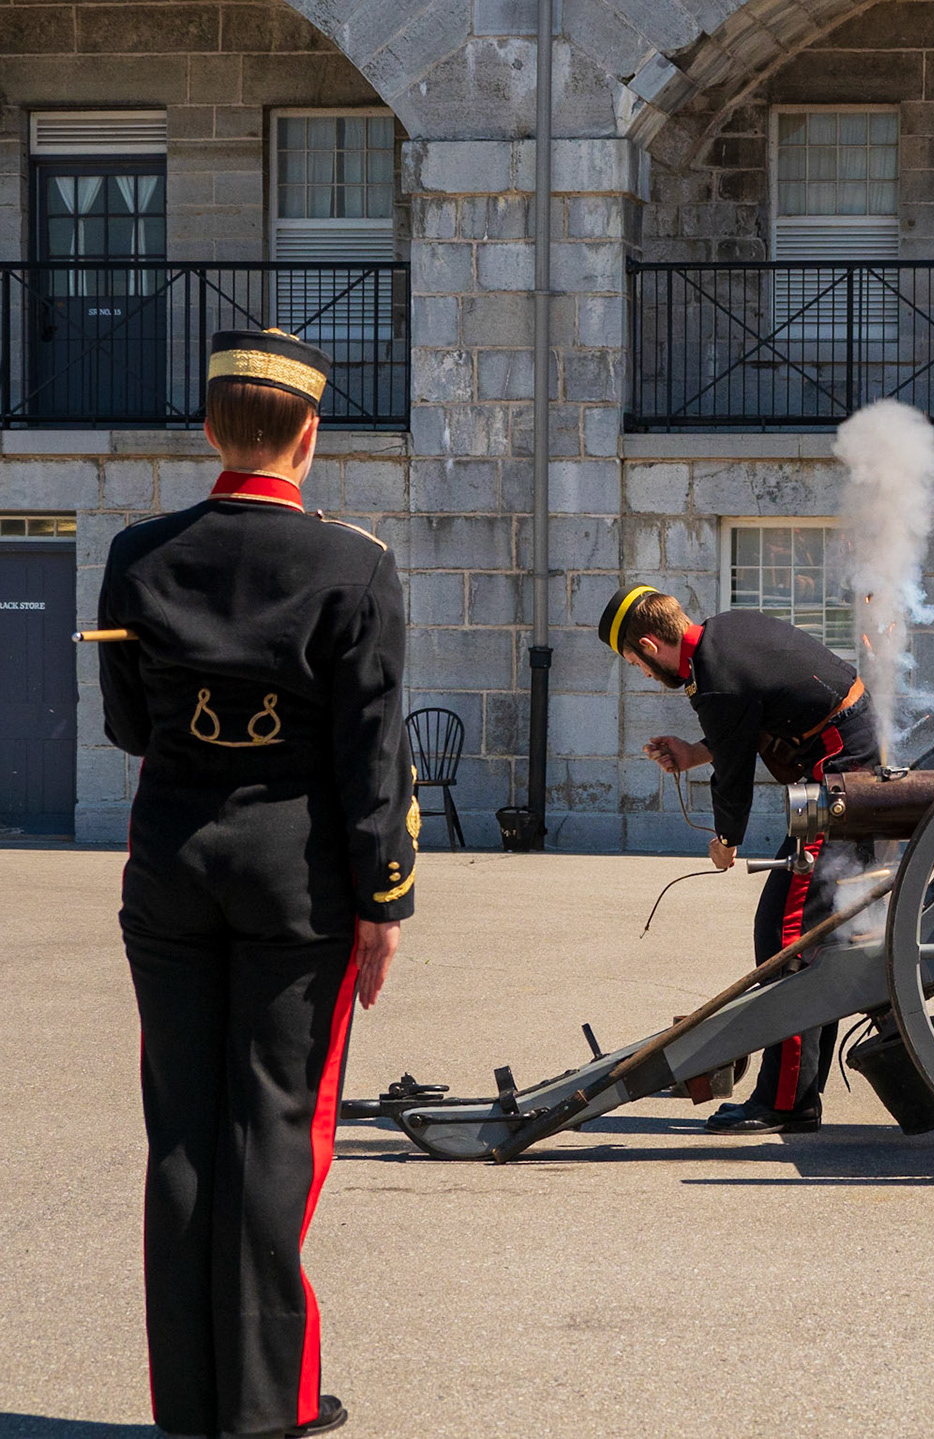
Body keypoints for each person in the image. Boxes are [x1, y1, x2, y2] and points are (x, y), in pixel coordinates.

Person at [95, 328, 416, 1439]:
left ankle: (189, 1403)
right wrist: (384, 900)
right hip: (299, 879)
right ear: (311, 436)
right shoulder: (355, 564)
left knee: (182, 1126)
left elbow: (128, 722)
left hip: (173, 863)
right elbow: (371, 757)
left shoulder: (139, 552)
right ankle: (266, 1403)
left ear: (209, 430)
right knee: (276, 1127)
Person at [598, 583, 879, 1134]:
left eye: (638, 664)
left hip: (839, 777)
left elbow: (733, 778)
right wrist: (694, 752)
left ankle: (785, 1102)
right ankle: (799, 1090)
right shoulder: (724, 637)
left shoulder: (715, 683)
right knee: (806, 935)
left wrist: (726, 842)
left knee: (786, 935)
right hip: (840, 758)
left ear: (652, 645)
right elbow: (741, 730)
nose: (646, 676)